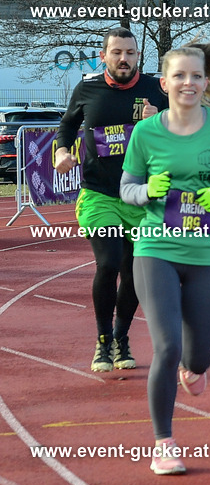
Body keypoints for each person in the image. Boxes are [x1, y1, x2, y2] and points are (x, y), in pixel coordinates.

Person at [120, 42, 210, 475]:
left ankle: (194, 366)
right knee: (167, 346)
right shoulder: (146, 133)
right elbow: (127, 189)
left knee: (198, 357)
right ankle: (164, 443)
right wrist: (149, 192)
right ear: (163, 83)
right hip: (156, 247)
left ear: (206, 82)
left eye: (196, 76)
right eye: (179, 76)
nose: (188, 83)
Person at [55, 27, 168, 372]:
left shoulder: (155, 90)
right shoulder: (87, 89)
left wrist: (160, 119)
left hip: (142, 197)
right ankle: (102, 340)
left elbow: (184, 128)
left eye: (130, 53)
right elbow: (67, 125)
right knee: (108, 263)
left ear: (138, 57)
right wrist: (61, 151)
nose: (124, 59)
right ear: (103, 56)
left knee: (136, 271)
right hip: (99, 193)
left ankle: (121, 337)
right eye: (117, 52)